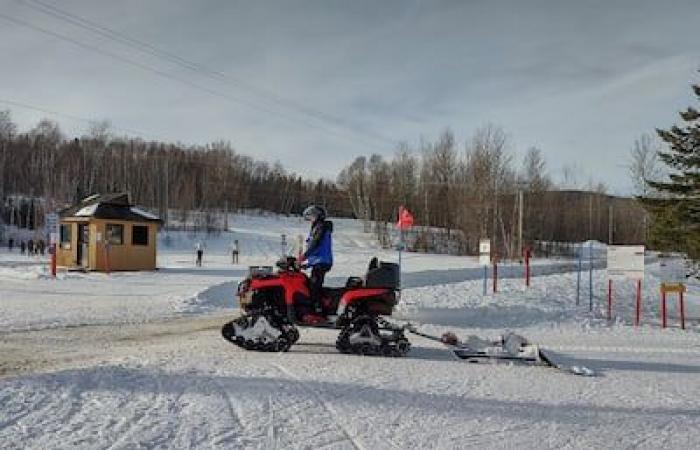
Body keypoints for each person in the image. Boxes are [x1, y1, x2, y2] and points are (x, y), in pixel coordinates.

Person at [300, 205, 333, 315]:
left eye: (312, 216)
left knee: (314, 286)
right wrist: (306, 264)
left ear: (318, 216)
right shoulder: (318, 227)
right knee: (312, 284)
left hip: (322, 261)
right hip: (318, 261)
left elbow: (316, 244)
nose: (310, 219)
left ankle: (318, 310)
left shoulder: (321, 227)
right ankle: (319, 304)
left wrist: (304, 257)